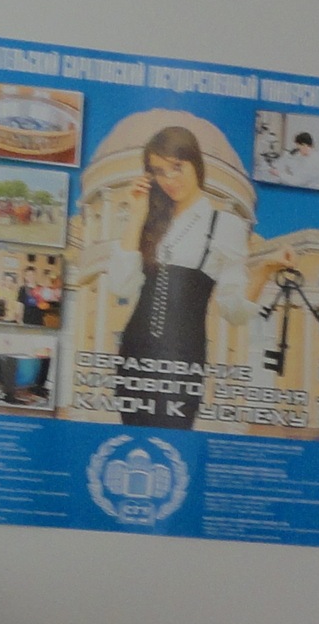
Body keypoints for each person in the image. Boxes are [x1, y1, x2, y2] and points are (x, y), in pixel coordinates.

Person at [104, 124, 255, 429]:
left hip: (183, 362)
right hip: (134, 356)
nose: (169, 179)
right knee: (134, 439)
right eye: (159, 172)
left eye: (177, 167)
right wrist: (136, 215)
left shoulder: (225, 225)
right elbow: (120, 286)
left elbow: (234, 311)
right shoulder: (150, 220)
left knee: (172, 442)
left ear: (195, 163)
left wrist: (266, 270)